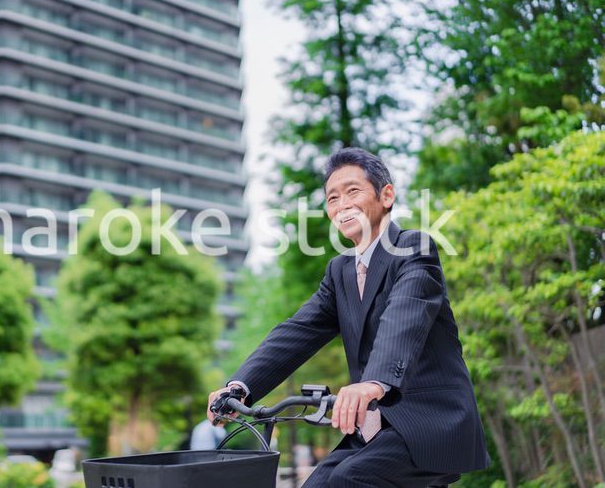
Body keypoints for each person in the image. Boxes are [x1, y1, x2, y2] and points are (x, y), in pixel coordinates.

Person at [207, 148, 490, 487]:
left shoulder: (414, 248)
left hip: (430, 423)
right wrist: (240, 386)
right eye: (332, 198)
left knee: (346, 480)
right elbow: (299, 330)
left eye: (353, 191)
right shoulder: (340, 271)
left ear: (386, 195)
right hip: (377, 429)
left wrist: (372, 382)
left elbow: (403, 317)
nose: (342, 204)